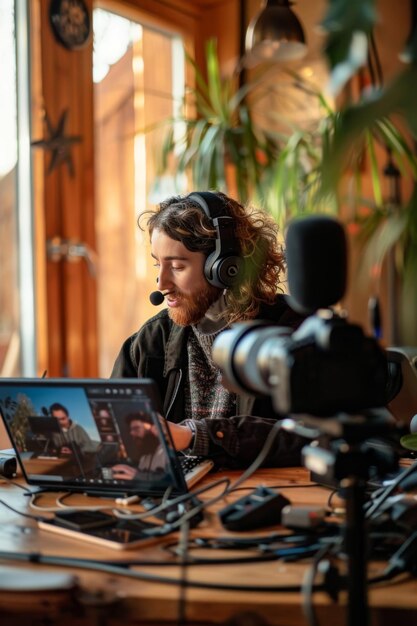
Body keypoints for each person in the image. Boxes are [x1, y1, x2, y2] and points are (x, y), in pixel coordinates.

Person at [111, 191, 308, 469]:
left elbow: (311, 435)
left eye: (177, 266)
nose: (161, 284)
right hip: (174, 496)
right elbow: (114, 427)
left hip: (261, 494)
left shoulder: (290, 333)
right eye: (158, 264)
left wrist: (194, 435)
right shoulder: (151, 341)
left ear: (226, 267)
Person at [111, 412, 167, 480]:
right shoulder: (144, 457)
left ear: (153, 428)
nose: (132, 433)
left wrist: (137, 476)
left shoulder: (165, 452)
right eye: (131, 430)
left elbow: (167, 480)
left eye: (136, 428)